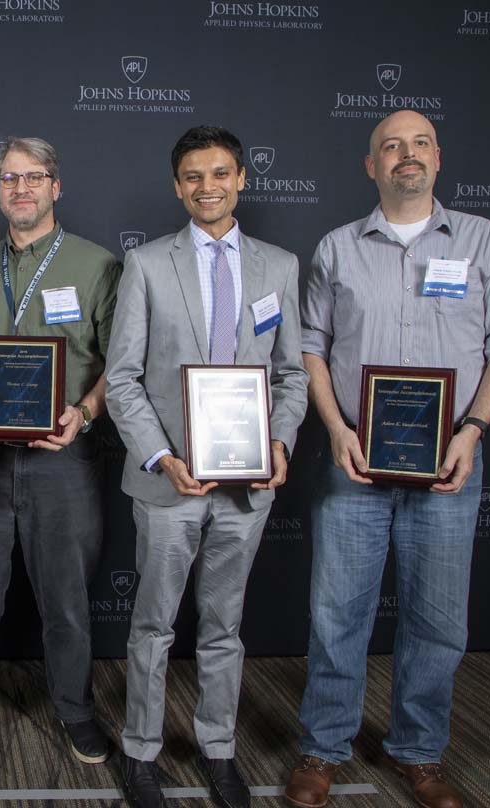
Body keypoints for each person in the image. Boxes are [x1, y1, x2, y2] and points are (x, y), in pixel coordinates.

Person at [285, 110, 490, 808]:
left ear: (438, 157)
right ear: (371, 165)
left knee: (438, 617)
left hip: (450, 460)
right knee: (337, 613)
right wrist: (335, 427)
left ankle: (420, 752)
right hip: (354, 456)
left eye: (418, 142)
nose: (406, 154)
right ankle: (322, 747)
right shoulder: (338, 247)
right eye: (390, 145)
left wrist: (473, 430)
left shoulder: (484, 241)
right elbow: (310, 346)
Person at [105, 126, 308, 808]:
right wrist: (162, 457)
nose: (207, 186)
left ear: (242, 178)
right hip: (169, 484)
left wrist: (279, 443)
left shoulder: (280, 266)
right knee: (153, 625)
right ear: (177, 186)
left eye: (220, 173)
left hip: (247, 488)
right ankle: (140, 752)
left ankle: (219, 749)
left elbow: (291, 375)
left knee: (224, 626)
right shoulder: (146, 265)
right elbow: (123, 378)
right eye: (193, 176)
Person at [0, 136, 122, 766]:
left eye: (34, 178)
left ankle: (74, 711)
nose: (22, 189)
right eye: (9, 179)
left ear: (56, 187)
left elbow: (121, 365)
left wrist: (84, 413)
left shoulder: (97, 266)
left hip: (61, 459)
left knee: (66, 599)